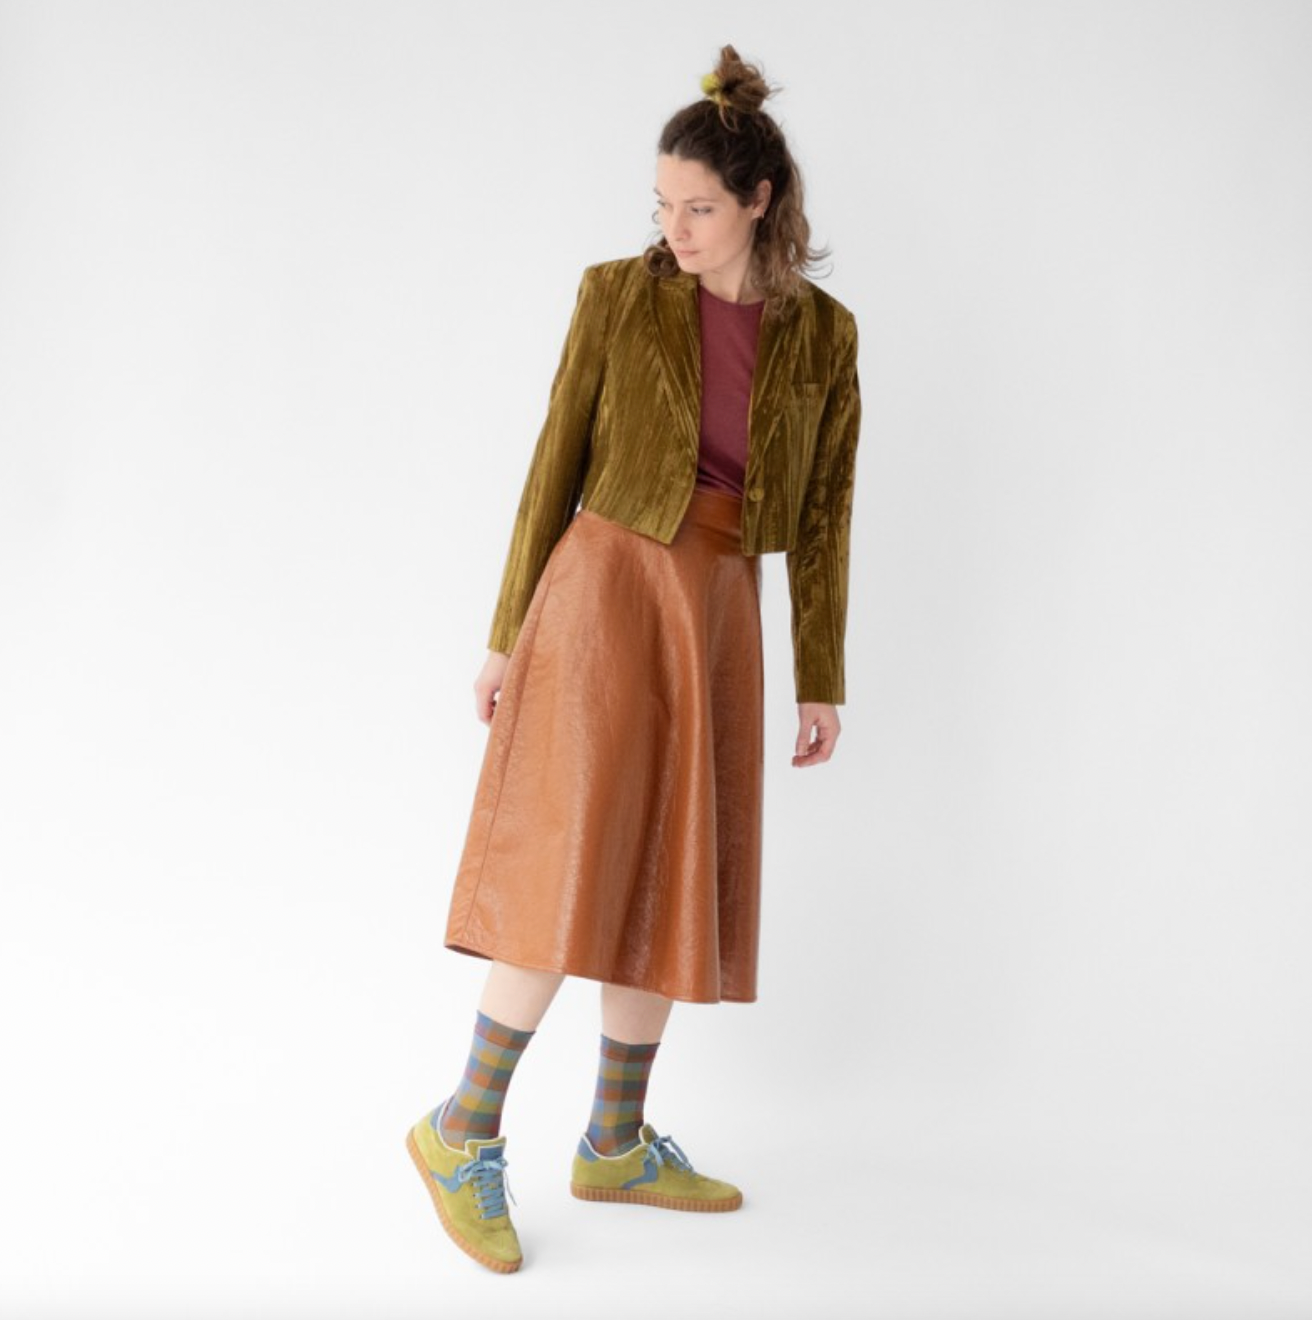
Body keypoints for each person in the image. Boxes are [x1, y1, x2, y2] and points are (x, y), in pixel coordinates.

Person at [405, 44, 862, 1274]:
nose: (675, 230)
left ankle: (612, 1141)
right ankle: (461, 1129)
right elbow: (551, 464)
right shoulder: (616, 294)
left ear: (759, 199)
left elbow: (824, 514)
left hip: (717, 609)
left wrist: (820, 674)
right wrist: (506, 635)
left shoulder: (824, 335)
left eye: (697, 208)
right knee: (571, 858)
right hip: (603, 596)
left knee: (669, 870)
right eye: (661, 206)